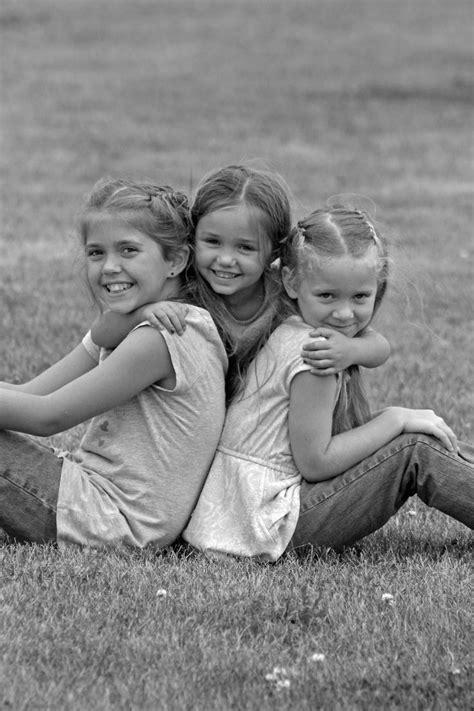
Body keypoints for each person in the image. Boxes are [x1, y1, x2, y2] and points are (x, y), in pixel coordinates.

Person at [183, 203, 474, 561]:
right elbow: (316, 462)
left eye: (360, 297)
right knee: (415, 448)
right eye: (327, 296)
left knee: (417, 435)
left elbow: (378, 347)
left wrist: (354, 349)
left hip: (243, 515)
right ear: (290, 281)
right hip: (270, 524)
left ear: (377, 287)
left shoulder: (295, 327)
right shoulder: (316, 357)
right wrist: (394, 419)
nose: (344, 313)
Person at [0, 178, 227, 549]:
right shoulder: (140, 322)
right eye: (96, 253)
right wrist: (116, 325)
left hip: (111, 521)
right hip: (93, 497)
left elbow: (46, 416)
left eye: (128, 250)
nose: (109, 267)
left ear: (176, 260)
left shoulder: (162, 338)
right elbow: (32, 392)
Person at [92, 165, 391, 401]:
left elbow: (377, 344)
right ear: (193, 239)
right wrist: (143, 314)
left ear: (274, 252)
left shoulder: (285, 295)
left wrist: (351, 351)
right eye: (212, 242)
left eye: (245, 248)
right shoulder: (185, 292)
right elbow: (101, 334)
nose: (225, 260)